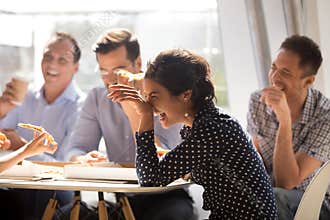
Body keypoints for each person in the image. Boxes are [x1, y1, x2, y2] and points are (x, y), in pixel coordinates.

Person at [108, 49, 278, 219]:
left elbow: (149, 179)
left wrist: (144, 116)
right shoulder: (208, 124)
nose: (149, 105)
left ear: (186, 95)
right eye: (146, 96)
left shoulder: (211, 129)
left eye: (154, 96)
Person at [61, 29, 194, 220]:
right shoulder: (98, 97)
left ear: (138, 63)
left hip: (166, 196)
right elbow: (75, 148)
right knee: (67, 215)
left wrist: (134, 113)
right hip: (122, 197)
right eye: (103, 71)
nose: (110, 80)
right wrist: (82, 158)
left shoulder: (165, 94)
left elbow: (167, 163)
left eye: (117, 71)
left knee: (174, 215)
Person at [0, 32, 85, 219]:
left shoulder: (81, 107)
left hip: (54, 187)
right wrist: (2, 108)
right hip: (16, 181)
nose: (52, 64)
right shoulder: (26, 96)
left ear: (76, 67)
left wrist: (24, 147)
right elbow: (3, 134)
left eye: (62, 59)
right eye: (48, 56)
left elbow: (65, 166)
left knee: (43, 193)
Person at [247, 35, 330, 220]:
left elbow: (287, 183)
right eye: (273, 68)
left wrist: (284, 121)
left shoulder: (325, 117)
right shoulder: (258, 101)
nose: (274, 78)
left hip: (317, 203)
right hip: (270, 193)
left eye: (285, 72)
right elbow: (258, 162)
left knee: (273, 198)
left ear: (308, 81)